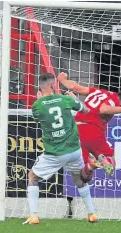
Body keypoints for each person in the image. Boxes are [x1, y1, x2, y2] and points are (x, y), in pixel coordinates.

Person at [24, 73, 97, 224]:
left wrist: (40, 100)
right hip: (74, 150)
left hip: (55, 153)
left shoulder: (37, 105)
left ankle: (34, 215)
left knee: (32, 177)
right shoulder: (66, 99)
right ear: (53, 85)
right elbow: (86, 111)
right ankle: (91, 213)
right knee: (79, 180)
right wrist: (75, 99)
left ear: (41, 87)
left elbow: (37, 117)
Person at [56, 72, 121, 178]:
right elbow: (103, 109)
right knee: (111, 163)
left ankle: (90, 165)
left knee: (83, 176)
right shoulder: (114, 100)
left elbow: (76, 87)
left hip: (75, 131)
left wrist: (62, 80)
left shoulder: (98, 91)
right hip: (92, 130)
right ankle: (101, 158)